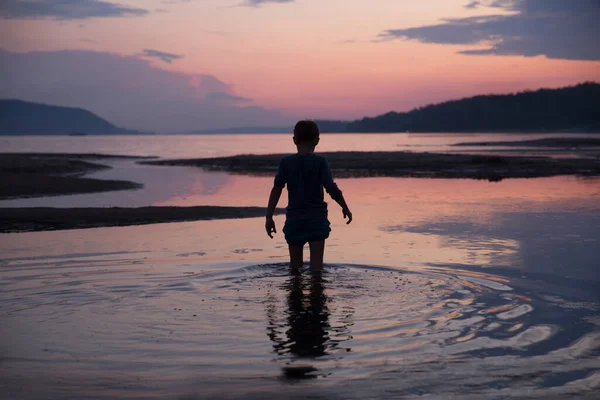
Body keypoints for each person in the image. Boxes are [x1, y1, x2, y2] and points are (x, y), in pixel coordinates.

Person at [265, 120, 352, 273]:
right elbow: (331, 188)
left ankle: (294, 295)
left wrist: (269, 216)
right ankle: (317, 295)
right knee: (317, 270)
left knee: (295, 270)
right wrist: (345, 207)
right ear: (317, 140)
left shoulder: (286, 162)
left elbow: (276, 189)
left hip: (295, 220)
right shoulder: (320, 162)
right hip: (316, 220)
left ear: (294, 140)